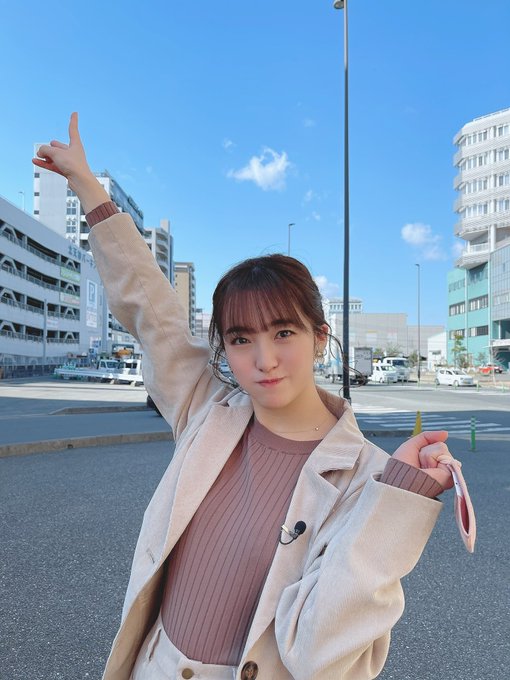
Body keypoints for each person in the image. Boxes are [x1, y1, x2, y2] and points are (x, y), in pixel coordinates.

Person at [34, 113, 457, 680]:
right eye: (240, 339)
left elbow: (321, 653)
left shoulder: (366, 477)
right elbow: (152, 311)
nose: (264, 359)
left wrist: (400, 502)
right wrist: (89, 189)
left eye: (283, 332)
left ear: (319, 337)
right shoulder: (206, 408)